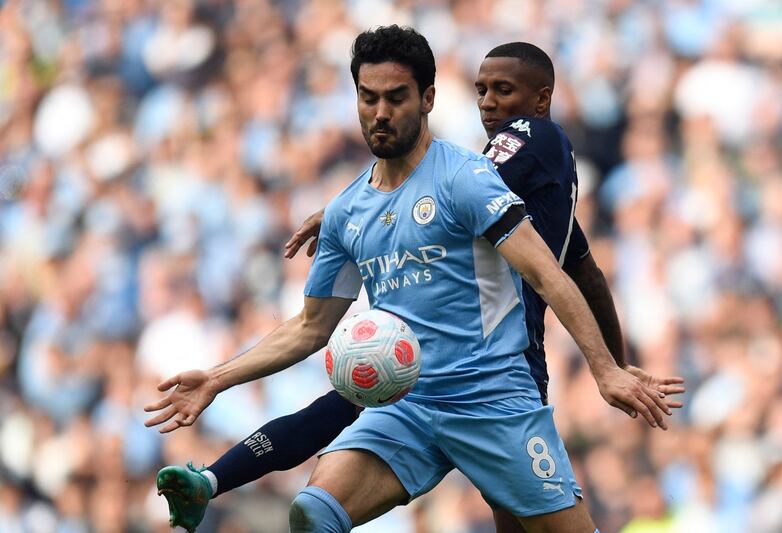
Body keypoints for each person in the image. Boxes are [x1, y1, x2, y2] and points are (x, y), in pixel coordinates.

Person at [145, 26, 676, 533]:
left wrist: (605, 370)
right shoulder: (347, 213)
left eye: (396, 97)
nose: (379, 112)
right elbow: (309, 328)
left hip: (491, 398)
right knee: (312, 513)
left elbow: (549, 273)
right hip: (408, 404)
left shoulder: (467, 178)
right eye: (367, 97)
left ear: (427, 99)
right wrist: (218, 378)